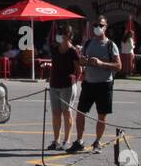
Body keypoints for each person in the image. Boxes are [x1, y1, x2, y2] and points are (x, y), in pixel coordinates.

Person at [71, 19, 119, 152]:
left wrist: (101, 64)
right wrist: (82, 61)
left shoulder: (110, 45)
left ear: (106, 27)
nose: (97, 27)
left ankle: (97, 141)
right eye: (95, 25)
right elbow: (81, 62)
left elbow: (119, 66)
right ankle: (79, 141)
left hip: (104, 84)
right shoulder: (88, 43)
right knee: (81, 112)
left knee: (102, 115)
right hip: (88, 83)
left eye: (100, 25)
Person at [46, 24, 80, 150]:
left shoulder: (73, 51)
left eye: (63, 33)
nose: (60, 35)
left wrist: (73, 81)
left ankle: (67, 140)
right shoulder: (54, 48)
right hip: (54, 84)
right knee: (56, 113)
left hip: (68, 85)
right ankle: (56, 141)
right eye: (59, 33)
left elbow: (78, 69)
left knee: (67, 112)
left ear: (69, 36)